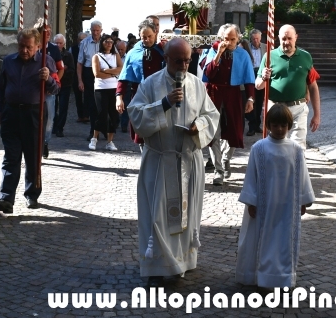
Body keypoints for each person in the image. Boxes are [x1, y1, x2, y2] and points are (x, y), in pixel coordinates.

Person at [128, 38, 220, 286]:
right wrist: (164, 104)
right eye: (178, 60)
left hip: (188, 161)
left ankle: (182, 260)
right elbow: (135, 114)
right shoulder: (150, 84)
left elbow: (211, 115)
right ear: (166, 58)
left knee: (186, 215)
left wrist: (197, 127)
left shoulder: (197, 85)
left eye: (188, 60)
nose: (184, 65)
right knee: (158, 215)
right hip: (160, 160)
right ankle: (158, 264)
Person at [236, 103, 314, 288]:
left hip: (288, 205)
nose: (280, 129)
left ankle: (284, 278)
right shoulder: (259, 148)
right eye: (275, 125)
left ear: (289, 126)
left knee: (284, 242)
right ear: (268, 125)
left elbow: (302, 174)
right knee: (264, 239)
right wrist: (251, 201)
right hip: (264, 205)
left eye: (283, 125)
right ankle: (263, 277)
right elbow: (251, 176)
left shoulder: (295, 149)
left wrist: (303, 200)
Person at [0, 29, 59, 213]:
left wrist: (49, 81)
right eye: (21, 46)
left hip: (34, 114)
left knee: (32, 156)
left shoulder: (46, 62)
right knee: (11, 157)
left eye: (29, 47)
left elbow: (56, 88)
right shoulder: (9, 62)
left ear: (37, 46)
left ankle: (32, 194)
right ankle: (6, 198)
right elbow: (2, 87)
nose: (25, 50)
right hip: (11, 113)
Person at [199, 24, 255, 186]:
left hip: (233, 94)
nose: (229, 42)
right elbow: (208, 73)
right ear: (221, 38)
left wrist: (251, 99)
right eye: (226, 39)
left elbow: (249, 78)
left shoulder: (242, 54)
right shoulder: (213, 50)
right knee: (213, 133)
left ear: (238, 39)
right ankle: (218, 170)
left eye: (233, 39)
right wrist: (218, 54)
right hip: (214, 94)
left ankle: (225, 159)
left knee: (235, 131)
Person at [255, 25, 321, 149]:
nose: (286, 42)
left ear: (296, 37)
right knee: (276, 146)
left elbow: (313, 86)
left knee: (298, 147)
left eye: (289, 38)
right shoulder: (269, 56)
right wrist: (263, 77)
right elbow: (258, 86)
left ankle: (296, 168)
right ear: (278, 38)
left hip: (298, 108)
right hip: (275, 108)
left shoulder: (306, 57)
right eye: (283, 39)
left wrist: (317, 114)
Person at [116, 20, 165, 146]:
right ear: (139, 35)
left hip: (159, 95)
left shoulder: (163, 50)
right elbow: (124, 76)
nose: (147, 40)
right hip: (139, 94)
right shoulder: (133, 53)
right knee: (141, 130)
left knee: (159, 130)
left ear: (155, 33)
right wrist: (119, 98)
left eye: (150, 36)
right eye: (144, 37)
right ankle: (145, 156)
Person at [35, 20, 64, 158]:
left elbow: (61, 69)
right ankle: (35, 144)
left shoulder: (54, 49)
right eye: (45, 31)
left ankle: (45, 142)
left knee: (50, 118)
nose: (48, 34)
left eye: (50, 31)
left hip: (49, 90)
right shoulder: (33, 47)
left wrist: (51, 84)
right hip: (34, 91)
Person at [90, 34, 122, 151]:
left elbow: (121, 69)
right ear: (102, 43)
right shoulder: (96, 57)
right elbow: (97, 74)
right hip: (101, 88)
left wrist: (108, 71)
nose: (109, 43)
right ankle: (94, 138)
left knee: (113, 115)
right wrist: (113, 73)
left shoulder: (115, 55)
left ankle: (110, 141)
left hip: (114, 88)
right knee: (101, 114)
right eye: (106, 41)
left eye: (111, 42)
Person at [77, 20, 103, 139]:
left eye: (97, 30)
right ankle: (93, 131)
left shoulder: (106, 42)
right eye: (93, 30)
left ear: (101, 30)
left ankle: (104, 129)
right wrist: (80, 80)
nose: (95, 33)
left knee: (104, 104)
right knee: (92, 104)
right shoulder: (85, 43)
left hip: (104, 74)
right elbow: (80, 63)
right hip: (89, 73)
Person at [52, 33, 74, 137]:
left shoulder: (68, 55)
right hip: (54, 84)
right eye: (56, 43)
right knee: (53, 106)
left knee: (63, 107)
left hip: (65, 84)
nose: (58, 45)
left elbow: (72, 69)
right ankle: (55, 126)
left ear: (63, 44)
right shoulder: (51, 54)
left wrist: (64, 70)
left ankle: (60, 128)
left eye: (60, 43)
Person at [245, 29, 266, 136]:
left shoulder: (266, 47)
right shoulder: (246, 47)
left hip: (261, 75)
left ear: (260, 38)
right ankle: (251, 126)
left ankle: (257, 125)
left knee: (259, 101)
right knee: (251, 100)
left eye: (257, 38)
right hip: (250, 74)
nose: (255, 41)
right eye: (253, 39)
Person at [70, 32, 89, 123]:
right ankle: (80, 115)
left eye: (84, 40)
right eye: (80, 40)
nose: (82, 42)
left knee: (87, 95)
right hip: (76, 75)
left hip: (87, 75)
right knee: (78, 96)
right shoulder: (72, 49)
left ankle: (86, 115)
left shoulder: (88, 48)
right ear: (78, 40)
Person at [115, 39, 130, 133]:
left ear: (126, 49)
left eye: (122, 49)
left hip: (126, 83)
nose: (120, 51)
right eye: (119, 49)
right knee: (114, 104)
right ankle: (115, 122)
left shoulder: (128, 57)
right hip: (114, 83)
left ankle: (124, 125)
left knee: (126, 103)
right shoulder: (113, 57)